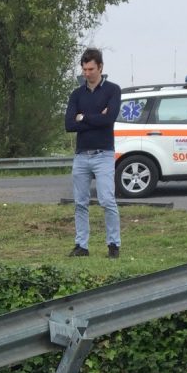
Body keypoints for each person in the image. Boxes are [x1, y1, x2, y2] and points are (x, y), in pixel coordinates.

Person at [64, 48, 121, 258]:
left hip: (103, 154)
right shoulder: (76, 94)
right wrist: (94, 117)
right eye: (84, 69)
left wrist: (83, 118)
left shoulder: (113, 90)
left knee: (107, 200)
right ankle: (82, 246)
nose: (87, 73)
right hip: (81, 156)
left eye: (91, 69)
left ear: (100, 67)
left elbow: (109, 119)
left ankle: (113, 245)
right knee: (80, 202)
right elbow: (69, 124)